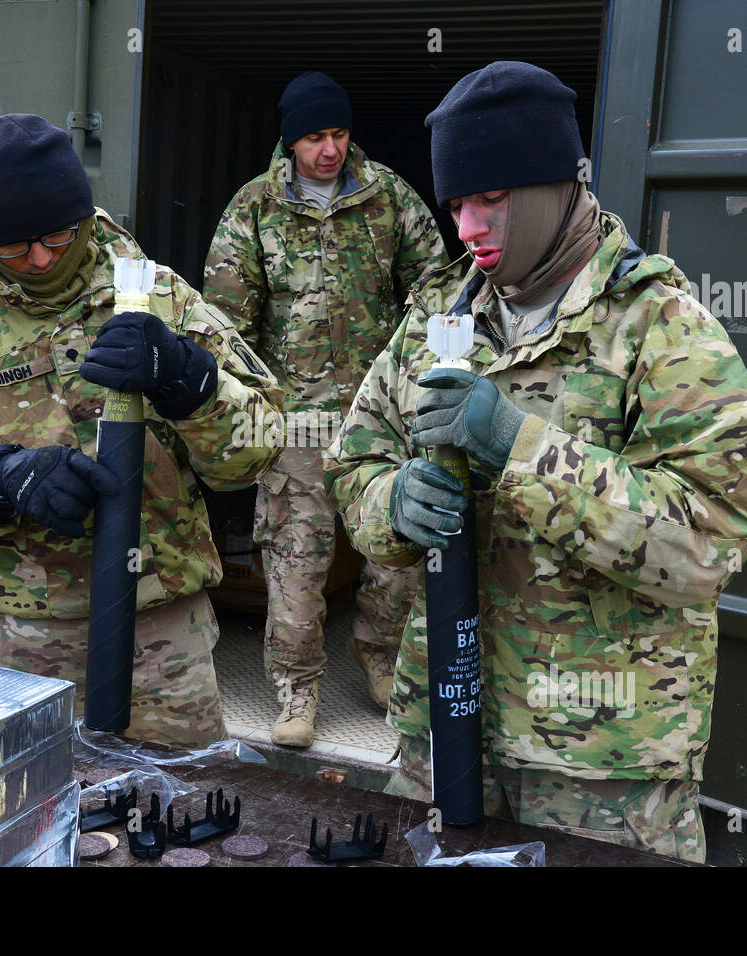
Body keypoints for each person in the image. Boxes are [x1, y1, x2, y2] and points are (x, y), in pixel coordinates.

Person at [324, 62, 747, 861]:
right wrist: (391, 504)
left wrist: (518, 447)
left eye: (489, 199)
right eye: (456, 203)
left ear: (551, 186)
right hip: (445, 732)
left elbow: (709, 540)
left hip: (600, 767)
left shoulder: (661, 326)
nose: (467, 228)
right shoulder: (439, 317)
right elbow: (353, 458)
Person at [0, 113, 284, 749]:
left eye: (58, 237)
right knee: (32, 831)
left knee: (180, 824)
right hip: (22, 652)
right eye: (13, 246)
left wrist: (188, 382)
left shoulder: (163, 302)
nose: (38, 259)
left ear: (85, 218)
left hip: (161, 642)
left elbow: (256, 451)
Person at [203, 71, 450, 748]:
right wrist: (256, 409)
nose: (330, 149)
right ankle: (296, 690)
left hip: (380, 415)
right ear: (291, 141)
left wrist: (413, 379)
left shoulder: (390, 197)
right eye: (315, 136)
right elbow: (225, 324)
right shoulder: (254, 208)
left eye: (339, 133)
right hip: (298, 423)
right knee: (295, 560)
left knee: (394, 554)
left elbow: (436, 291)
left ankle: (380, 657)